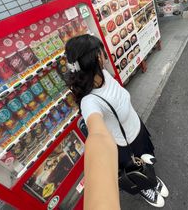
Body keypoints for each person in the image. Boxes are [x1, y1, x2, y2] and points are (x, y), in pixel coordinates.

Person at [65, 34, 169, 208]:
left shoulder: (103, 74)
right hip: (125, 144)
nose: (105, 53)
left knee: (147, 162)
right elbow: (96, 133)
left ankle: (152, 180)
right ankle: (145, 188)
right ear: (97, 57)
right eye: (101, 51)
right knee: (136, 171)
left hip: (137, 129)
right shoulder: (89, 101)